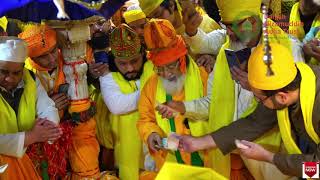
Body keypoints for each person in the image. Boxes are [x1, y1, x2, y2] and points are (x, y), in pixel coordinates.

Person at [157, 0, 304, 179]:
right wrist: (183, 108)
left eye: (235, 26)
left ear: (255, 21)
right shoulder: (226, 51)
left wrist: (258, 88)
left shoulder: (289, 49)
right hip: (230, 155)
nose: (228, 32)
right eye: (226, 26)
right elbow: (214, 104)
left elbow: (290, 108)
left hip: (273, 160)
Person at [179, 42, 320, 178]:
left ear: (282, 97)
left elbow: (317, 170)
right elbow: (255, 122)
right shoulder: (288, 82)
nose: (258, 102)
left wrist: (269, 157)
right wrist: (200, 142)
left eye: (259, 99)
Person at [137, 19, 209, 173]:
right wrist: (151, 134)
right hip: (170, 165)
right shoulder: (151, 85)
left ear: (182, 59)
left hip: (206, 160)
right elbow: (145, 119)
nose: (166, 73)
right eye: (160, 69)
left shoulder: (204, 78)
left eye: (171, 66)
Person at [0, 36, 61, 179]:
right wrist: (30, 137)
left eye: (16, 73)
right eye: (3, 72)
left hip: (26, 162)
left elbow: (48, 108)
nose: (10, 79)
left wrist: (47, 128)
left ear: (23, 68)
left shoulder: (30, 79)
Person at [99, 24, 147, 180]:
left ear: (143, 54)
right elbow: (117, 105)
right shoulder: (107, 77)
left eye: (135, 61)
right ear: (114, 60)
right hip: (129, 159)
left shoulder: (153, 66)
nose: (130, 68)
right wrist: (151, 93)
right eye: (122, 63)